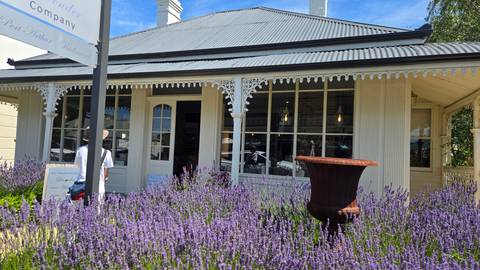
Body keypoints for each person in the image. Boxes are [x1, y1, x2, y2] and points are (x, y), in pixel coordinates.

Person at [74, 129, 114, 199]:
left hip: (80, 185)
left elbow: (77, 166)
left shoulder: (80, 150)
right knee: (96, 208)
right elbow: (106, 172)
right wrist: (103, 180)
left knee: (79, 208)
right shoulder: (106, 153)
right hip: (99, 186)